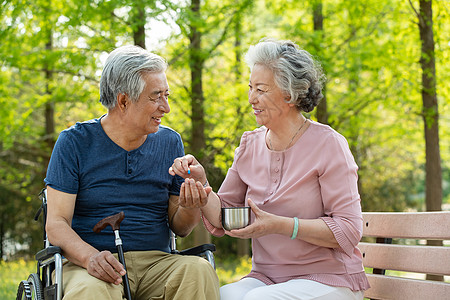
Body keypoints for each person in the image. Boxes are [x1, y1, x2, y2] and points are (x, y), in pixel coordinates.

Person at [169, 38, 370, 299]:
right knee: (218, 295)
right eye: (251, 87)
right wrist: (202, 185)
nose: (251, 98)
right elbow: (224, 216)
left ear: (290, 94)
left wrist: (280, 225)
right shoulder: (249, 145)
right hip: (266, 278)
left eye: (261, 90)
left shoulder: (329, 144)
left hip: (329, 279)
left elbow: (349, 230)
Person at [45, 45, 219, 300]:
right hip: (91, 264)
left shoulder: (170, 143)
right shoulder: (74, 143)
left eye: (166, 95)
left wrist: (192, 204)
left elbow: (180, 228)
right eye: (155, 97)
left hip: (157, 263)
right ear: (123, 100)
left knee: (198, 271)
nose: (166, 107)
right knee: (89, 291)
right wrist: (90, 257)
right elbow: (56, 224)